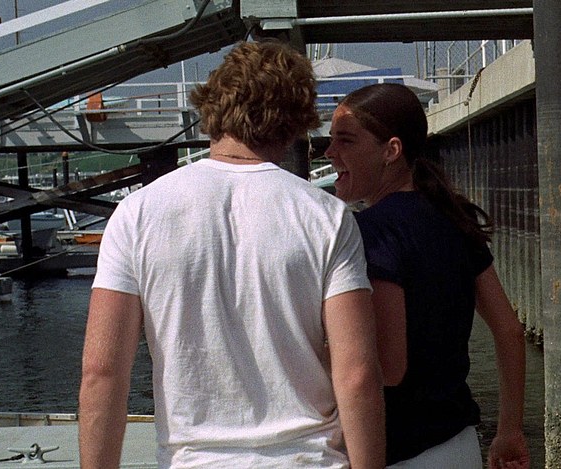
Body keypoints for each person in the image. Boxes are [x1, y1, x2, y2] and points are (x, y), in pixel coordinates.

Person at [79, 40, 385, 469]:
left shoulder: (136, 214)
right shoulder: (327, 217)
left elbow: (102, 372)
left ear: (212, 107)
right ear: (296, 123)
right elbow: (357, 375)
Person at [325, 82, 530, 469]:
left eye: (345, 141)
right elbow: (509, 331)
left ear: (391, 151)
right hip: (460, 444)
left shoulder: (371, 232)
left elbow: (389, 367)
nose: (329, 152)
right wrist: (509, 431)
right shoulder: (455, 218)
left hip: (400, 453)